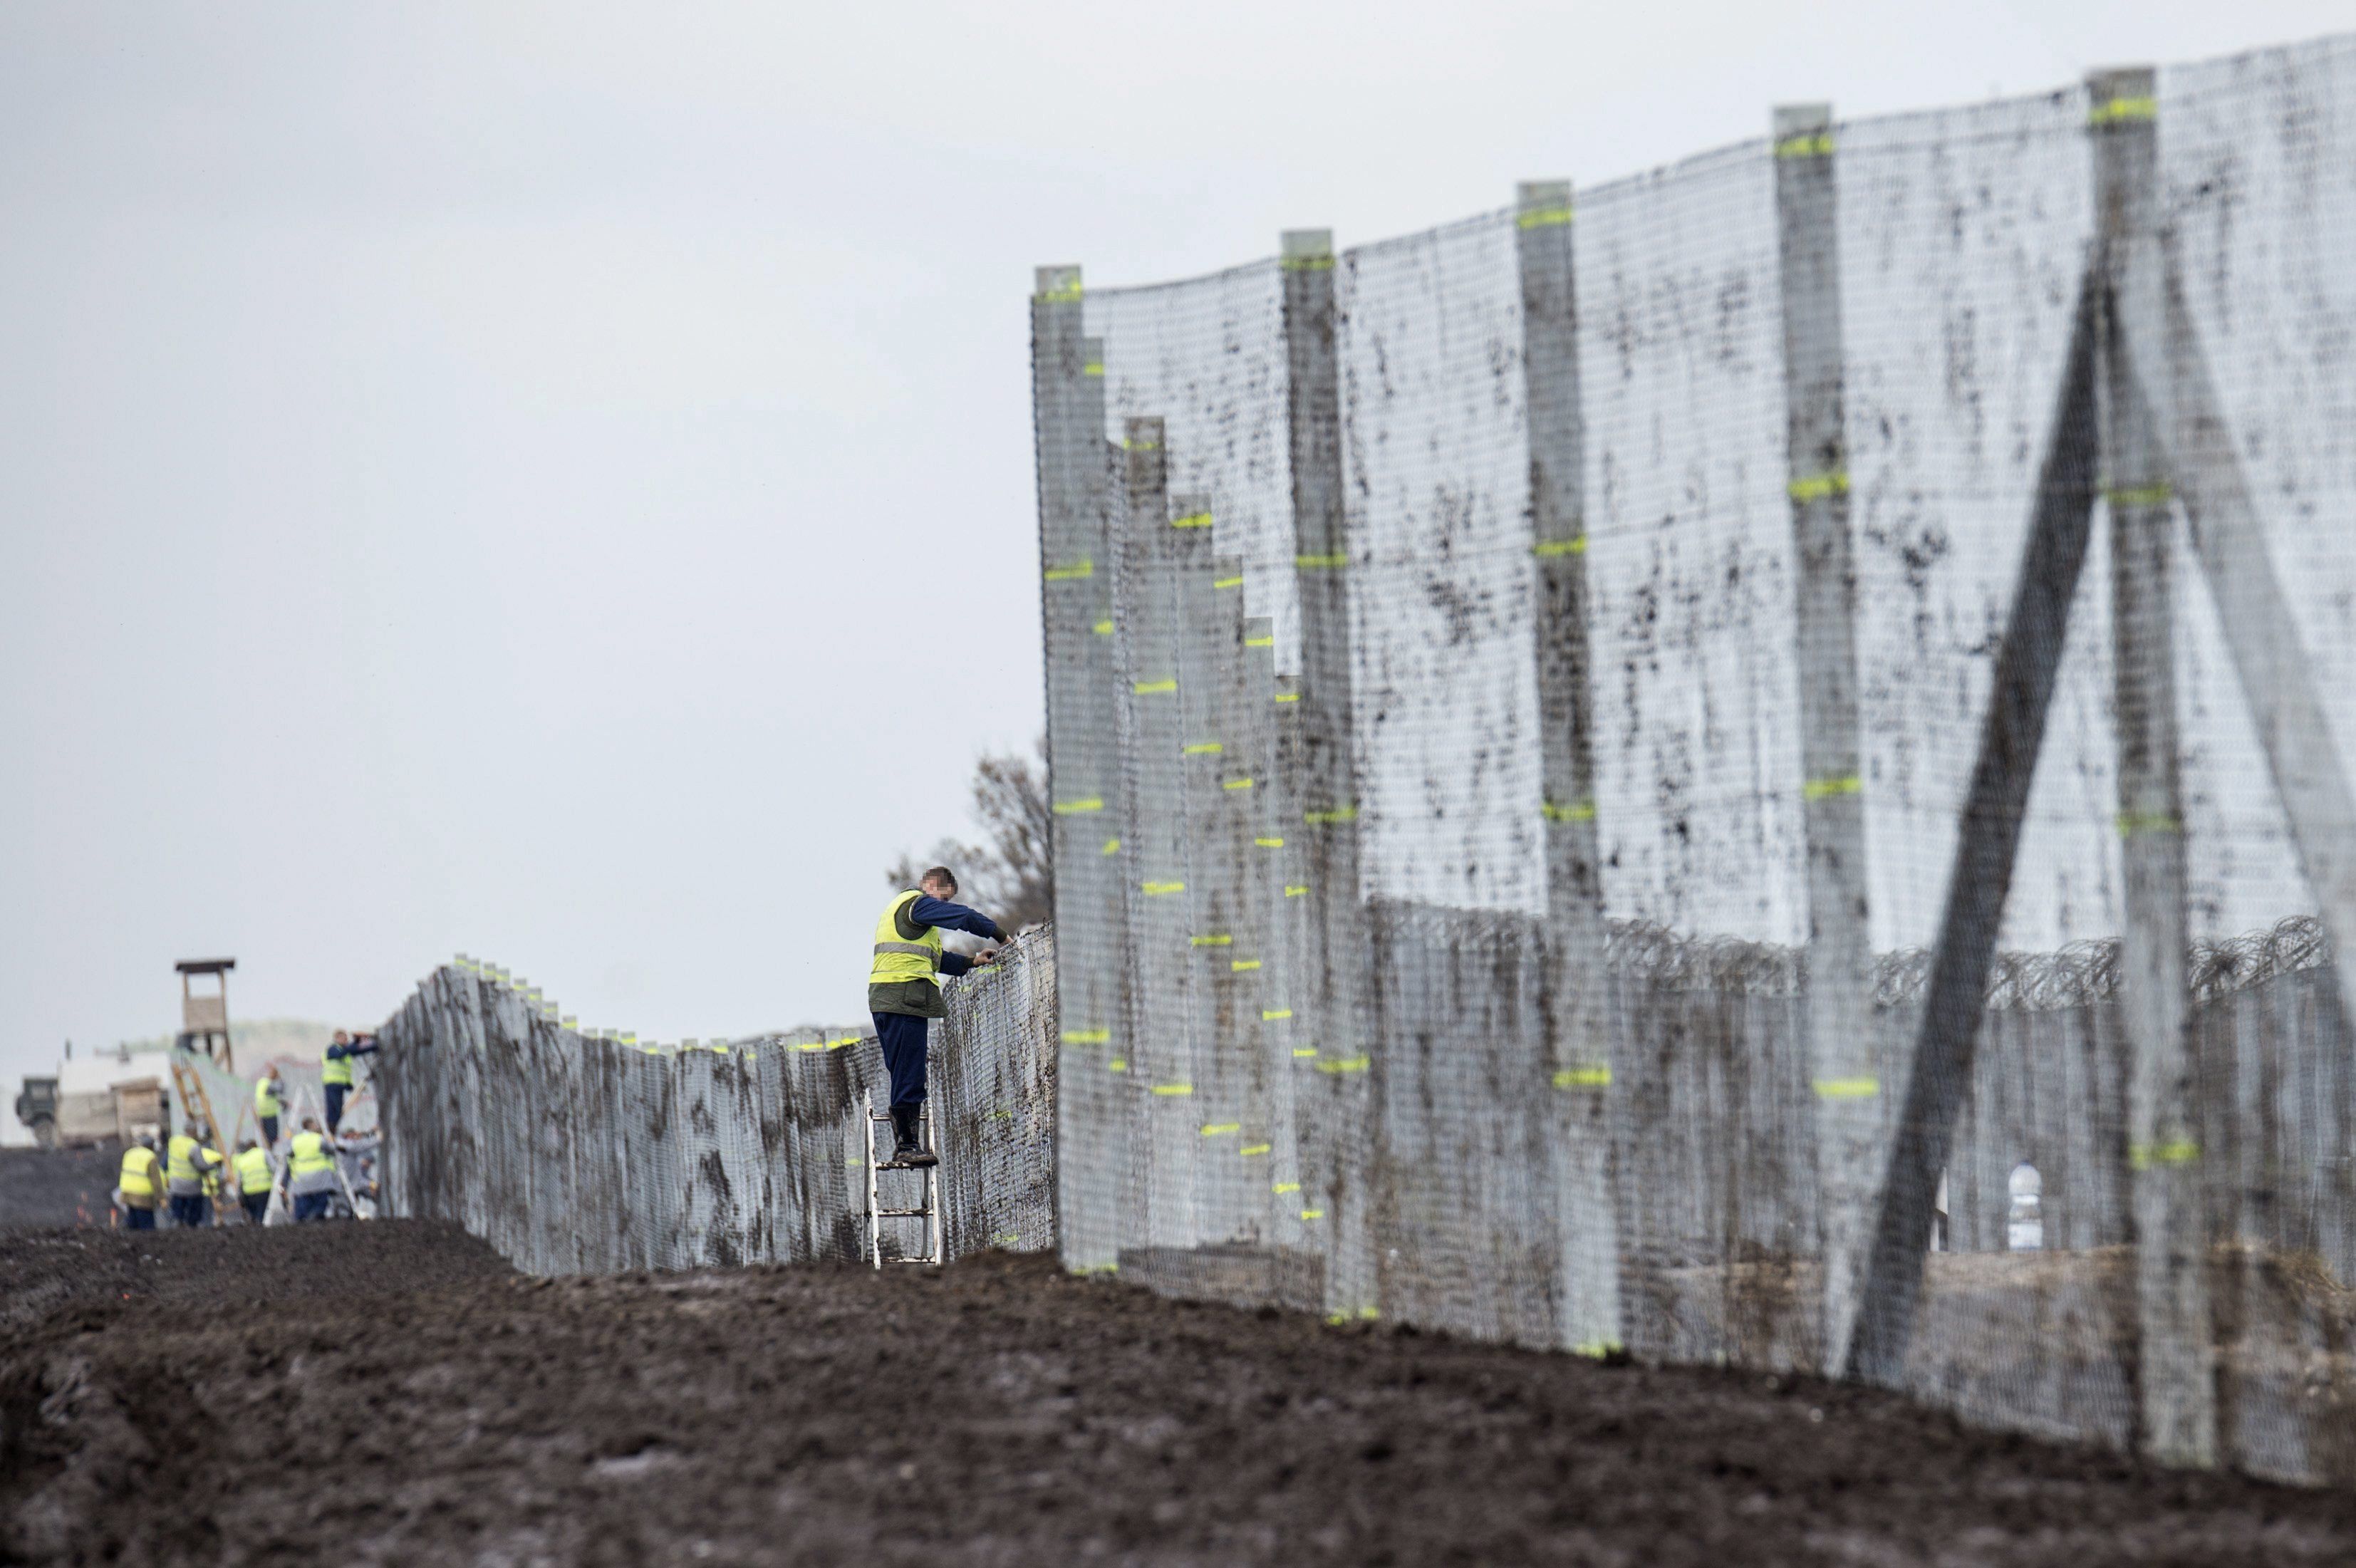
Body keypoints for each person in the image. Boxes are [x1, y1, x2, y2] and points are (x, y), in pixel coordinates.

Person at [867, 866, 1007, 1167]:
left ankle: (906, 1143)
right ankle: (907, 1146)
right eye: (943, 898)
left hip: (886, 998)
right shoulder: (918, 904)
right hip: (906, 997)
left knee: (902, 1069)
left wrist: (971, 961)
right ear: (930, 885)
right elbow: (965, 917)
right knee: (910, 1071)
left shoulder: (903, 913)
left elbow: (936, 959)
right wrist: (1003, 937)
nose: (941, 907)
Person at [164, 1128, 224, 1228]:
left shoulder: (174, 1142)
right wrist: (215, 1165)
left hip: (176, 1186)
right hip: (193, 1188)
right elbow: (201, 1166)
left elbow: (165, 1162)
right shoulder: (194, 1146)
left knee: (178, 1215)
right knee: (193, 1218)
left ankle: (178, 1230)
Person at [285, 1117, 341, 1222]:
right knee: (320, 1202)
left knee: (303, 1201)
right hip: (319, 1176)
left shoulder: (296, 1140)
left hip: (301, 1176)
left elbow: (288, 1153)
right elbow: (332, 1149)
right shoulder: (318, 1139)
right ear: (310, 1126)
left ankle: (302, 1220)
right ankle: (315, 1217)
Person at [321, 1030, 378, 1133]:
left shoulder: (345, 1051)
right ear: (337, 1038)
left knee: (338, 1109)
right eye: (344, 1038)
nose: (346, 1040)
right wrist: (356, 1043)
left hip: (340, 1084)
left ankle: (334, 1127)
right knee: (335, 1108)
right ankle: (332, 1128)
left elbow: (357, 1051)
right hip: (332, 1082)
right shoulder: (333, 1049)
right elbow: (341, 1054)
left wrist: (372, 1046)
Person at [115, 1138, 163, 1231]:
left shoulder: (129, 1153)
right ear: (152, 1146)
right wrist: (161, 1198)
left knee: (133, 1224)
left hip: (127, 1193)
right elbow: (156, 1181)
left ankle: (133, 1243)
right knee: (147, 1227)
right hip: (143, 1197)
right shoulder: (150, 1157)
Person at [231, 1139, 274, 1224]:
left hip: (249, 1193)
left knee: (254, 1216)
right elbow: (274, 1168)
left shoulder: (242, 1159)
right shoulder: (263, 1153)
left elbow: (239, 1181)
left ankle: (255, 1228)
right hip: (264, 1190)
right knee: (262, 1216)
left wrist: (239, 1196)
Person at [254, 1066, 285, 1147]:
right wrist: (281, 1080)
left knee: (265, 1137)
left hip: (261, 1112)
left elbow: (269, 1096)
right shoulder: (268, 1084)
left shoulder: (262, 1082)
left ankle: (268, 1150)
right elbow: (280, 1090)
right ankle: (270, 1153)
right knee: (271, 1137)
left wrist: (280, 1102)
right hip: (270, 1114)